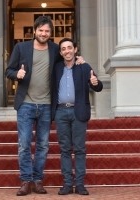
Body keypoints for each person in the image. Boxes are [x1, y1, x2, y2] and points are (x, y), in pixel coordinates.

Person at [6, 16, 85, 196]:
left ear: (51, 33)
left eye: (47, 31)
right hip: (26, 103)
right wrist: (16, 74)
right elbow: (8, 70)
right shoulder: (21, 47)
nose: (44, 33)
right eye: (41, 30)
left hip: (47, 105)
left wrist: (80, 59)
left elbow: (68, 56)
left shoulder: (56, 49)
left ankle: (38, 180)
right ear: (35, 30)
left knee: (42, 145)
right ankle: (26, 180)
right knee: (24, 145)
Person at [51, 38, 103, 195]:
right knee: (65, 149)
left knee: (79, 149)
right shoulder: (56, 68)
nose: (67, 51)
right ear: (60, 52)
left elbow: (98, 86)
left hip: (78, 112)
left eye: (69, 48)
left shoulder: (84, 66)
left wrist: (94, 82)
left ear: (75, 49)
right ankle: (67, 184)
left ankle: (79, 184)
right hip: (60, 112)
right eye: (63, 49)